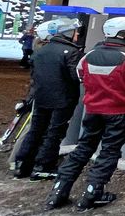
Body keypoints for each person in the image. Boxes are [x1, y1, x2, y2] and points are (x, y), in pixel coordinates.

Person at [46, 16, 125, 211]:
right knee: (109, 151)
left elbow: (80, 76)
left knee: (83, 148)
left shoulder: (89, 55)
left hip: (93, 110)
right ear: (123, 33)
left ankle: (58, 192)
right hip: (120, 111)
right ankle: (92, 194)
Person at [13, 18, 83, 180]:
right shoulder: (72, 52)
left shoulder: (40, 51)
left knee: (36, 130)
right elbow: (76, 76)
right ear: (67, 32)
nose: (77, 34)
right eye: (75, 31)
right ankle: (43, 166)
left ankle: (21, 164)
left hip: (41, 98)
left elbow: (34, 76)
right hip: (63, 99)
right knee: (54, 132)